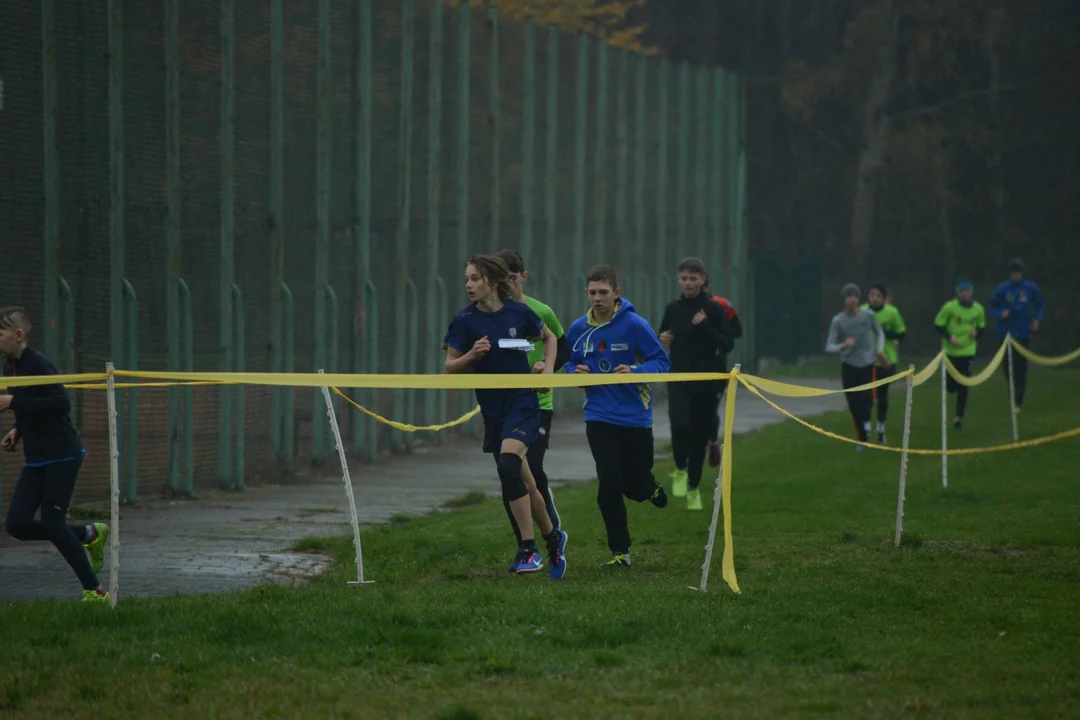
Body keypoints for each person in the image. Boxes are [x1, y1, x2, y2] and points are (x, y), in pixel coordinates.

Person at [443, 255, 568, 579]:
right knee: (525, 481)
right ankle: (553, 536)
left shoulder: (519, 313)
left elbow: (550, 338)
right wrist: (472, 355)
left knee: (508, 465)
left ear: (493, 282)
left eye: (475, 278)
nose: (469, 285)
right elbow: (449, 368)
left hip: (524, 403)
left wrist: (546, 369)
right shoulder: (464, 321)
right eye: (467, 279)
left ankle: (528, 549)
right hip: (493, 410)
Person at [0, 306, 110, 603]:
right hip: (36, 458)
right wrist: (17, 430)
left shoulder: (39, 365)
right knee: (17, 525)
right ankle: (89, 534)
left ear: (18, 334)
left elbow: (60, 404)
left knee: (52, 523)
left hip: (62, 455)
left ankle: (95, 591)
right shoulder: (7, 367)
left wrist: (13, 401)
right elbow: (29, 406)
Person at [565, 265, 671, 568]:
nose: (597, 298)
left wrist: (636, 371)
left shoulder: (635, 325)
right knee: (609, 480)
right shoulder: (578, 329)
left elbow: (661, 363)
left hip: (635, 416)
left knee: (635, 487)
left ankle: (649, 488)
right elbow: (570, 363)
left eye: (603, 293)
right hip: (598, 415)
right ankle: (620, 552)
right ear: (586, 293)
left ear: (616, 294)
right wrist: (576, 372)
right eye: (592, 293)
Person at [494, 249, 571, 571]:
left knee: (532, 471)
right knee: (510, 477)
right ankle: (528, 547)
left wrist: (547, 368)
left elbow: (563, 350)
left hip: (538, 405)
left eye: (512, 278)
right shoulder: (491, 315)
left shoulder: (541, 312)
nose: (508, 284)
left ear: (523, 277)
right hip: (505, 404)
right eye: (502, 279)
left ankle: (552, 534)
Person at [657, 258, 736, 510]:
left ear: (703, 279)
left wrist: (706, 326)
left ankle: (693, 487)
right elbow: (663, 334)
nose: (688, 283)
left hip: (707, 380)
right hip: (679, 376)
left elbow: (727, 343)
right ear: (679, 280)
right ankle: (680, 468)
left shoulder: (713, 309)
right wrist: (663, 338)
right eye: (684, 278)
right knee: (679, 424)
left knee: (699, 433)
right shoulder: (673, 308)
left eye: (693, 278)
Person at [824, 284, 888, 448]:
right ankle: (862, 438)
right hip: (849, 365)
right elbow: (828, 346)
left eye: (854, 296)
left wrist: (879, 350)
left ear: (858, 299)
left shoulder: (868, 315)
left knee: (866, 398)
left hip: (867, 363)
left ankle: (865, 428)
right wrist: (842, 346)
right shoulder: (838, 320)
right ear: (844, 300)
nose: (852, 300)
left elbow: (879, 332)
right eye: (848, 297)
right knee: (853, 403)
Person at [989, 259, 1044, 412]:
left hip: (1023, 333)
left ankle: (1018, 400)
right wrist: (1000, 313)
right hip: (1005, 335)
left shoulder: (1030, 288)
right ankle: (1011, 390)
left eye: (1019, 273)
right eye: (1014, 273)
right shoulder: (1002, 289)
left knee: (1020, 368)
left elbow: (1040, 304)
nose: (1017, 276)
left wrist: (1037, 320)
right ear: (1011, 274)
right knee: (1007, 367)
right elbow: (992, 307)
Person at [934, 281, 987, 430]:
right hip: (950, 352)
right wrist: (949, 337)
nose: (965, 294)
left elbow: (982, 328)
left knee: (964, 384)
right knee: (951, 386)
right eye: (962, 291)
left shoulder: (978, 309)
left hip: (968, 351)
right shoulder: (949, 307)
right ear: (958, 293)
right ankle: (953, 387)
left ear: (972, 293)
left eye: (967, 291)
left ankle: (959, 418)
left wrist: (976, 333)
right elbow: (938, 325)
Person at [703, 278, 742, 467]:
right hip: (690, 366)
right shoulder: (681, 307)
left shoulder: (722, 305)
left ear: (707, 286)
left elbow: (736, 331)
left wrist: (716, 332)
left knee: (710, 408)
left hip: (716, 365)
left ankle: (712, 442)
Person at [861, 284, 907, 443]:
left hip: (886, 360)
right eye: (871, 295)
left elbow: (901, 331)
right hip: (866, 360)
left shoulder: (891, 312)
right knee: (866, 394)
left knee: (882, 394)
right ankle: (865, 428)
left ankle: (880, 427)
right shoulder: (863, 311)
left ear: (884, 298)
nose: (874, 298)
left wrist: (893, 337)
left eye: (877, 296)